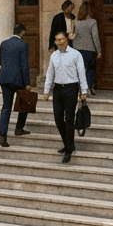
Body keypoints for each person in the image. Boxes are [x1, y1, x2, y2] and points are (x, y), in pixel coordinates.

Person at [43, 31, 88, 163]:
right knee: (58, 119)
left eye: (61, 39)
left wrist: (83, 91)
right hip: (58, 89)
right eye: (57, 40)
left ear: (66, 39)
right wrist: (47, 90)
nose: (59, 42)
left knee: (69, 119)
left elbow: (81, 73)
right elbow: (50, 73)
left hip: (71, 88)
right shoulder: (54, 56)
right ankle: (68, 143)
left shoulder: (76, 54)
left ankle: (68, 149)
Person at [0, 24, 31, 147]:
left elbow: (0, 60)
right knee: (25, 103)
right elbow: (24, 65)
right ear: (22, 32)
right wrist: (27, 83)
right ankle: (19, 128)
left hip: (4, 78)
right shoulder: (23, 45)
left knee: (6, 107)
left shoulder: (3, 43)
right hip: (18, 80)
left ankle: (2, 135)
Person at [73, 2, 102, 97]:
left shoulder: (76, 22)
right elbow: (95, 37)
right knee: (91, 69)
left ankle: (78, 89)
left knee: (78, 70)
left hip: (77, 49)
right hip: (89, 49)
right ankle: (88, 87)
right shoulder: (92, 22)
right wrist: (99, 50)